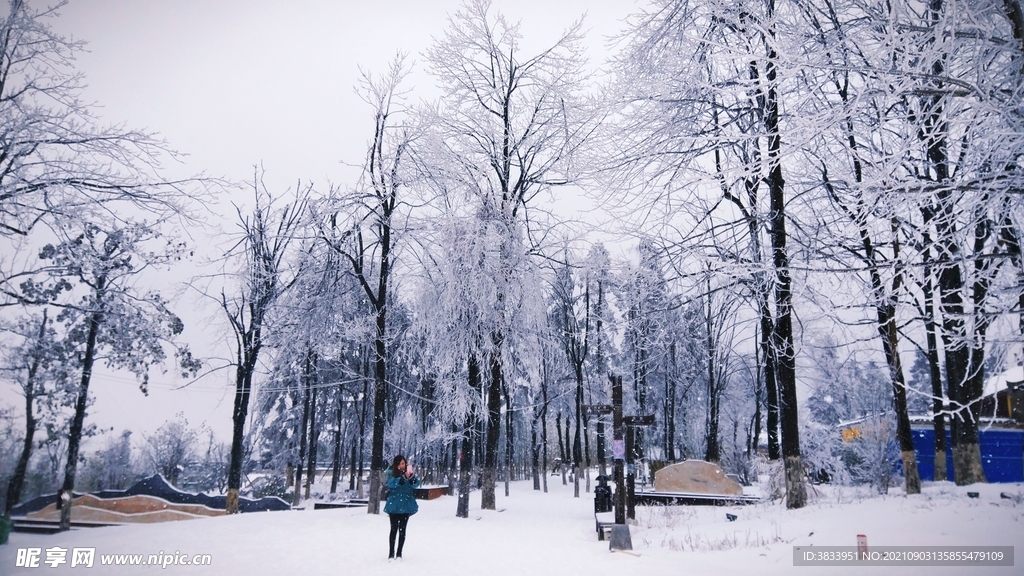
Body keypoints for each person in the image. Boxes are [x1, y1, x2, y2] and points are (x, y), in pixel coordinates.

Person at [384, 454, 420, 560]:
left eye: (404, 463)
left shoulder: (408, 473)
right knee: (393, 529)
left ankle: (399, 553)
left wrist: (412, 478)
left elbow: (416, 484)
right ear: (396, 464)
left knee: (402, 530)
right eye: (400, 463)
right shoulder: (391, 473)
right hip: (394, 505)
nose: (403, 465)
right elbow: (391, 484)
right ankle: (391, 553)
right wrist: (401, 479)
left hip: (406, 505)